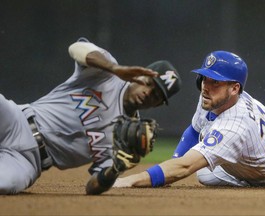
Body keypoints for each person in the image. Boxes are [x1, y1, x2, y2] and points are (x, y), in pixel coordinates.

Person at [0, 37, 181, 195]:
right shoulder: (106, 74)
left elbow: (92, 187)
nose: (149, 93)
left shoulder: (128, 138)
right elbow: (76, 48)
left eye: (157, 95)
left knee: (5, 183)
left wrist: (116, 168)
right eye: (149, 83)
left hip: (28, 162)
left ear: (158, 104)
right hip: (15, 121)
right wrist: (115, 68)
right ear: (140, 74)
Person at [113, 50, 265, 188]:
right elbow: (194, 131)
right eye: (205, 78)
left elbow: (184, 167)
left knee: (198, 167)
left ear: (235, 89)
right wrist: (173, 163)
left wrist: (129, 180)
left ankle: (249, 178)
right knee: (205, 174)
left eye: (216, 82)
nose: (206, 87)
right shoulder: (212, 97)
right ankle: (245, 173)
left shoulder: (233, 126)